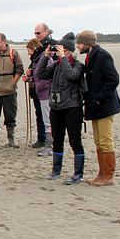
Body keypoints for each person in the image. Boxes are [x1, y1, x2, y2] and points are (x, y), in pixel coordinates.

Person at [76, 30, 120, 187]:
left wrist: (99, 98)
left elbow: (113, 79)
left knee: (105, 140)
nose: (77, 46)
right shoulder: (91, 57)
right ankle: (101, 173)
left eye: (80, 42)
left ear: (88, 43)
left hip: (104, 106)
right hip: (95, 106)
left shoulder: (103, 55)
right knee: (98, 141)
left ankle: (108, 176)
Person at [37, 32, 86, 185]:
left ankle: (78, 173)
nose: (59, 53)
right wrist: (45, 57)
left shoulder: (78, 65)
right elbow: (42, 74)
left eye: (62, 50)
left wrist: (63, 59)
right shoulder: (56, 65)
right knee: (57, 139)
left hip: (72, 107)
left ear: (68, 51)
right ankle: (56, 171)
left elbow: (72, 76)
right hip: (56, 107)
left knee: (74, 140)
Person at [0, 33, 24, 147]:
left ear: (4, 42)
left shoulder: (13, 53)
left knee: (10, 115)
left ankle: (11, 139)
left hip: (9, 91)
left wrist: (12, 83)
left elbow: (19, 69)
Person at [22, 39, 54, 157]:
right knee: (45, 119)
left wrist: (38, 87)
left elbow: (46, 79)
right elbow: (38, 77)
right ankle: (48, 145)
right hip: (41, 93)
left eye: (29, 50)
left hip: (45, 94)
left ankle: (50, 146)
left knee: (48, 120)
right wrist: (30, 79)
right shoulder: (37, 59)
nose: (28, 53)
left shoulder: (44, 59)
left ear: (34, 49)